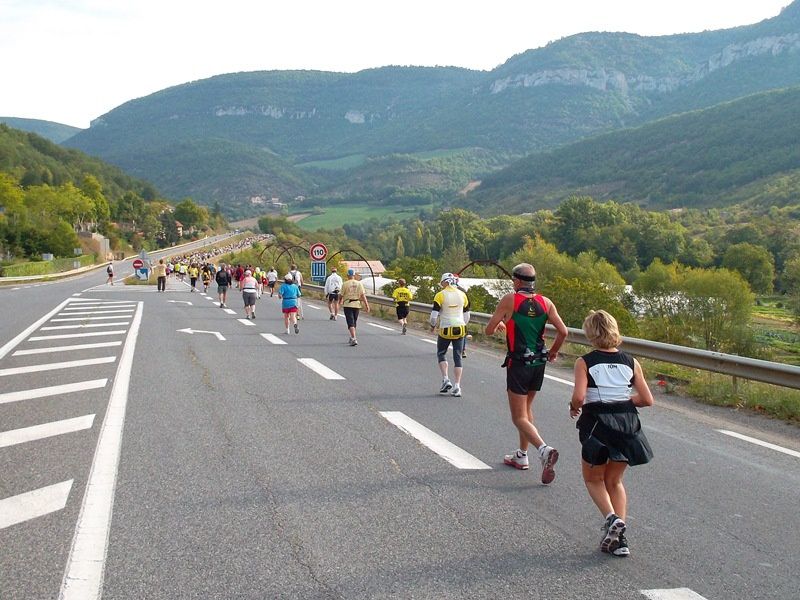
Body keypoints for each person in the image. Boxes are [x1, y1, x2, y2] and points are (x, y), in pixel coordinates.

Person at [569, 310, 654, 558]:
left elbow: (579, 396)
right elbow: (647, 399)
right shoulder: (631, 362)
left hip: (597, 425)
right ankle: (620, 540)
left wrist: (574, 408)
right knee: (615, 481)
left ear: (590, 333)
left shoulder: (584, 362)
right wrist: (624, 403)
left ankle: (611, 519)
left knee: (593, 478)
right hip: (627, 425)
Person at [484, 262, 568, 485]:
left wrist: (502, 322)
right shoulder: (545, 302)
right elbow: (563, 331)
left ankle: (543, 449)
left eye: (514, 280)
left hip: (519, 363)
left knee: (518, 417)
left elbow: (489, 329)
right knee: (527, 410)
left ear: (518, 281)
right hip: (539, 363)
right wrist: (553, 352)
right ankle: (522, 456)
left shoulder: (509, 300)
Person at [429, 273, 470, 397]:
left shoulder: (440, 295)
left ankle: (446, 379)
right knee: (457, 356)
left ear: (444, 282)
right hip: (460, 328)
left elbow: (434, 316)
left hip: (446, 329)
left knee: (441, 353)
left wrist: (433, 325)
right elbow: (467, 315)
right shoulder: (463, 294)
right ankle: (457, 386)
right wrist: (463, 323)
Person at [338, 268, 370, 346]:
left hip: (348, 304)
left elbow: (341, 295)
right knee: (354, 321)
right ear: (354, 275)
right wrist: (367, 305)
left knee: (350, 322)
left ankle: (354, 338)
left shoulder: (345, 284)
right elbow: (363, 295)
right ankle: (352, 336)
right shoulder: (359, 284)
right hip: (357, 305)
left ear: (348, 275)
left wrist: (339, 302)